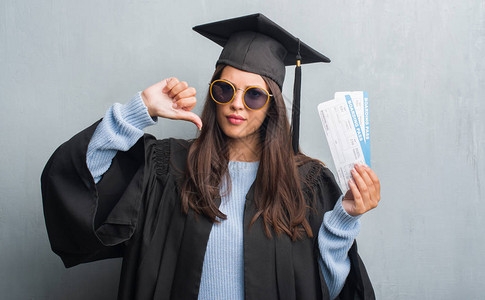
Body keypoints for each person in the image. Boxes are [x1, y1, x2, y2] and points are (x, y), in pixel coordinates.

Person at [41, 14, 380, 300]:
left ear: (274, 105)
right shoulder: (168, 167)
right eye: (225, 89)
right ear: (214, 92)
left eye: (255, 96)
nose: (237, 103)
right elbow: (82, 181)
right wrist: (138, 110)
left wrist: (344, 218)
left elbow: (325, 290)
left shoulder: (305, 184)